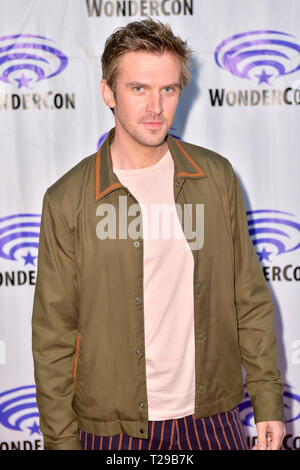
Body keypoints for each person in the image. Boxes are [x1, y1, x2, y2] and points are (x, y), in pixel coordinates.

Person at [32, 19, 285, 451]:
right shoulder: (68, 200)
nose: (156, 107)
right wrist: (60, 441)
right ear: (108, 92)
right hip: (113, 433)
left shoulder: (215, 177)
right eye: (138, 88)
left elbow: (250, 297)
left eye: (168, 89)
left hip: (211, 420)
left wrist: (267, 402)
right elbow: (54, 335)